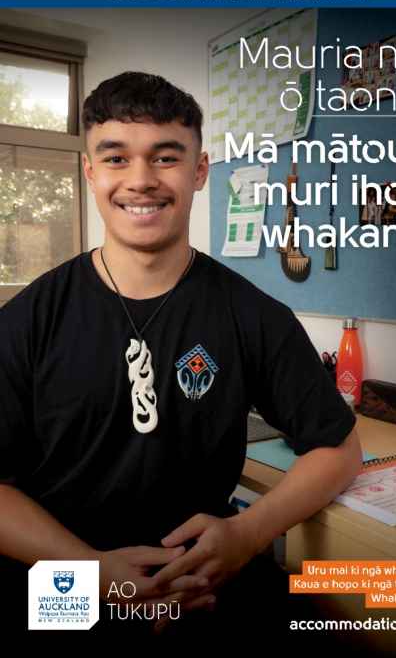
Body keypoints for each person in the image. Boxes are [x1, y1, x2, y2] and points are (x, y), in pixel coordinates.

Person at [0, 71, 362, 642]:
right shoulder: (27, 320)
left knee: (340, 629)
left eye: (165, 158)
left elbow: (338, 448)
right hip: (61, 579)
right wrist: (94, 574)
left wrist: (246, 534)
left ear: (198, 172)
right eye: (116, 159)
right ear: (90, 172)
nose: (141, 181)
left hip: (201, 581)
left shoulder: (255, 315)